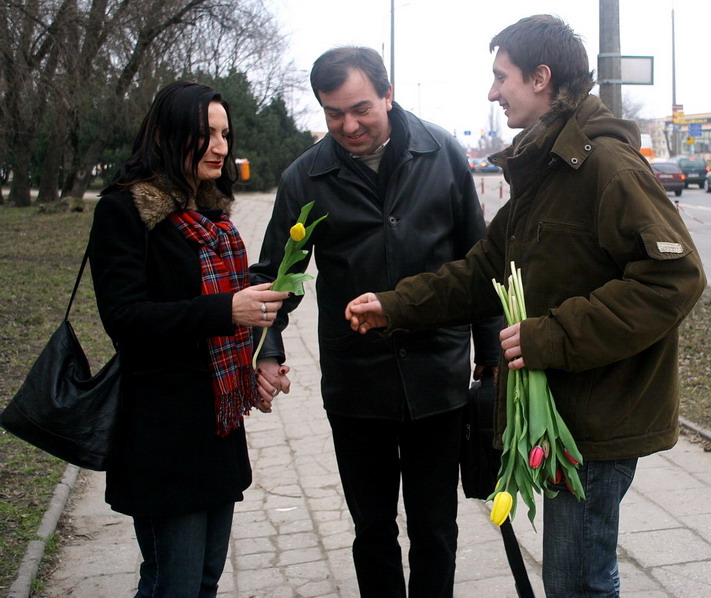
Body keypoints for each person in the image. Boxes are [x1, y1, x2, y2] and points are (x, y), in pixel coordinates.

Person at [345, 15, 706, 598]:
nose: (492, 92)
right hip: (567, 413)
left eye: (500, 77)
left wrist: (551, 337)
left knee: (577, 583)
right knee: (573, 578)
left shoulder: (605, 166)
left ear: (540, 78)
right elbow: (483, 270)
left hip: (599, 417)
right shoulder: (547, 170)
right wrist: (393, 305)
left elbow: (675, 278)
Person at [249, 46, 500, 598]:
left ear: (388, 93)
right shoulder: (306, 177)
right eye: (333, 113)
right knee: (372, 530)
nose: (349, 125)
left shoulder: (443, 155)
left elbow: (478, 260)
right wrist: (266, 350)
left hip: (438, 378)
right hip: (356, 385)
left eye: (361, 108)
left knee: (436, 528)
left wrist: (492, 352)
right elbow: (277, 273)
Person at [89, 81, 289, 597]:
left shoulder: (212, 215)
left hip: (216, 426)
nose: (222, 147)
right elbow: (125, 319)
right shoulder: (124, 210)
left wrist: (257, 363)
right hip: (160, 431)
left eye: (225, 133)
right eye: (206, 134)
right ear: (165, 134)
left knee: (202, 581)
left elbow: (221, 326)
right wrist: (228, 310)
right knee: (170, 583)